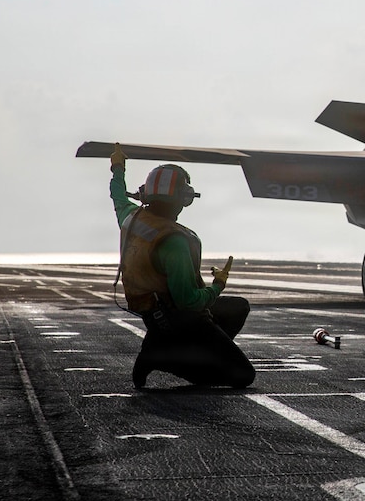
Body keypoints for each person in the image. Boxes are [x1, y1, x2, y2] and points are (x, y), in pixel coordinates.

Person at [109, 143, 255, 389]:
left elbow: (118, 196)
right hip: (180, 319)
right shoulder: (175, 240)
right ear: (181, 199)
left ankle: (175, 348)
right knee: (243, 376)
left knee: (238, 307)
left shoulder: (131, 218)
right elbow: (188, 301)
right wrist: (218, 285)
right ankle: (160, 356)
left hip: (154, 316)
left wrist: (118, 168)